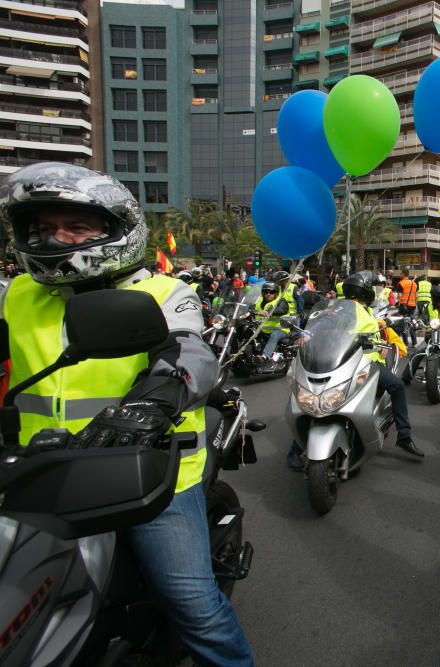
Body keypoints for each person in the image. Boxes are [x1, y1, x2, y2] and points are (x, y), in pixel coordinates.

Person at [0, 162, 253, 664]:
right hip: (38, 472)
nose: (57, 238)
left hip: (148, 474)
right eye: (45, 227)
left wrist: (154, 400)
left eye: (76, 226)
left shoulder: (162, 292)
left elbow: (191, 355)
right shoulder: (17, 294)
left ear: (118, 228)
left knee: (194, 607)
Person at [342, 271, 423, 458]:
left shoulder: (359, 310)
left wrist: (381, 341)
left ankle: (297, 450)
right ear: (364, 291)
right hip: (360, 364)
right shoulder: (351, 310)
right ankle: (404, 436)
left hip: (358, 362)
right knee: (398, 386)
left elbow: (370, 328)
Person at [255, 281, 290, 369]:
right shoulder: (259, 301)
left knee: (274, 335)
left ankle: (264, 357)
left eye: (272, 292)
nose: (268, 294)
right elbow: (251, 307)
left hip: (281, 329)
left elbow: (282, 310)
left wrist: (269, 312)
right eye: (266, 292)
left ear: (276, 293)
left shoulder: (281, 301)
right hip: (263, 329)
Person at [397, 269, 419, 347]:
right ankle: (414, 343)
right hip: (412, 306)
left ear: (403, 274)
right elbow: (417, 296)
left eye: (400, 273)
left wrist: (398, 304)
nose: (400, 275)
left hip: (403, 306)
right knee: (412, 323)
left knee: (404, 324)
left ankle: (406, 343)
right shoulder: (414, 284)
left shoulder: (401, 283)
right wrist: (414, 304)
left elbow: (399, 296)